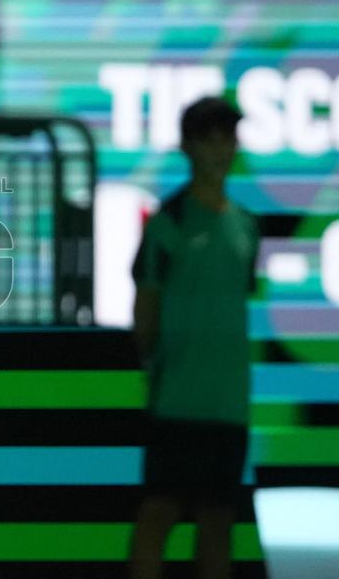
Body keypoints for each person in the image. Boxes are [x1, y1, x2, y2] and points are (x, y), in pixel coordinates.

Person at [128, 97, 260, 579]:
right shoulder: (169, 221)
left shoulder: (247, 226)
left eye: (228, 137)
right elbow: (145, 314)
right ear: (187, 146)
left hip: (230, 405)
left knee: (218, 523)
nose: (220, 149)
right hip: (176, 402)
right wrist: (163, 370)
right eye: (209, 138)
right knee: (158, 514)